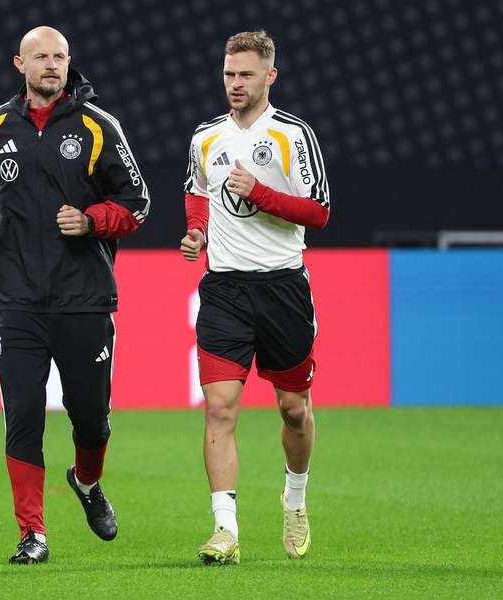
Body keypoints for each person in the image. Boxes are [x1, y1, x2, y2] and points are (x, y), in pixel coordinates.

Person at [0, 26, 149, 564]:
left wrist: (90, 221)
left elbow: (137, 203)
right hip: (12, 298)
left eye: (59, 57)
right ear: (20, 64)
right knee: (23, 414)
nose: (52, 65)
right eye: (40, 57)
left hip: (82, 297)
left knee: (91, 419)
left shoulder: (97, 127)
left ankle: (86, 482)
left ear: (68, 63)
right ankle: (32, 533)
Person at [180, 30, 330, 565]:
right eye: (228, 74)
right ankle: (225, 529)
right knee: (219, 409)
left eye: (245, 74)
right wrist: (197, 232)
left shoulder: (293, 135)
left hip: (283, 286)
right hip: (224, 289)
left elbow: (318, 212)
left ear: (271, 76)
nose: (235, 84)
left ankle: (295, 500)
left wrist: (259, 194)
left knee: (293, 410)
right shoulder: (205, 137)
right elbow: (197, 190)